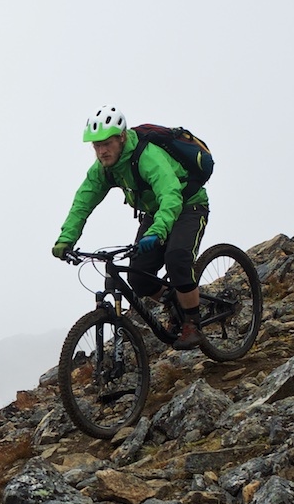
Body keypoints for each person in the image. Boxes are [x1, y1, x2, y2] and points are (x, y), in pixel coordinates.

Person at [51, 106, 209, 349]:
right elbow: (83, 202)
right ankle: (173, 302)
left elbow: (171, 195)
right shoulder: (103, 170)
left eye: (107, 143)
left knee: (177, 258)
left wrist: (158, 231)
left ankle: (192, 323)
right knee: (137, 276)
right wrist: (66, 240)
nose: (102, 151)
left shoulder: (148, 157)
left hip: (188, 206)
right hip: (156, 213)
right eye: (96, 146)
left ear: (122, 137)